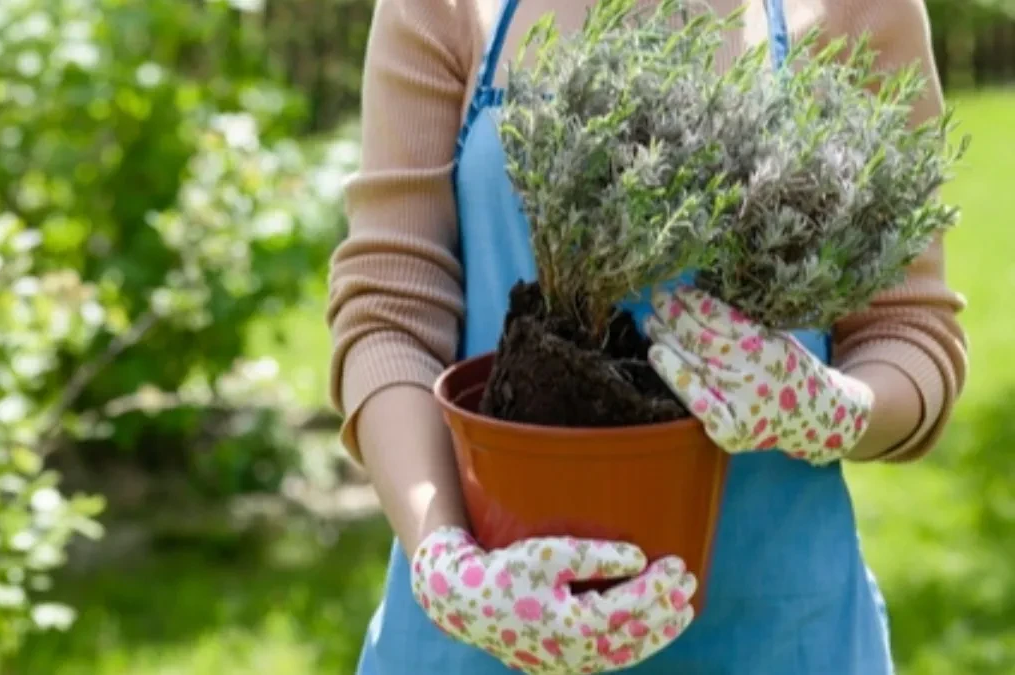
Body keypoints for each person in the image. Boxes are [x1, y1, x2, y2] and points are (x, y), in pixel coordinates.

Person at [325, 0, 968, 672]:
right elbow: (390, 314)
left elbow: (906, 327)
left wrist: (830, 408)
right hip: (483, 635)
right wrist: (447, 562)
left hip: (772, 633)